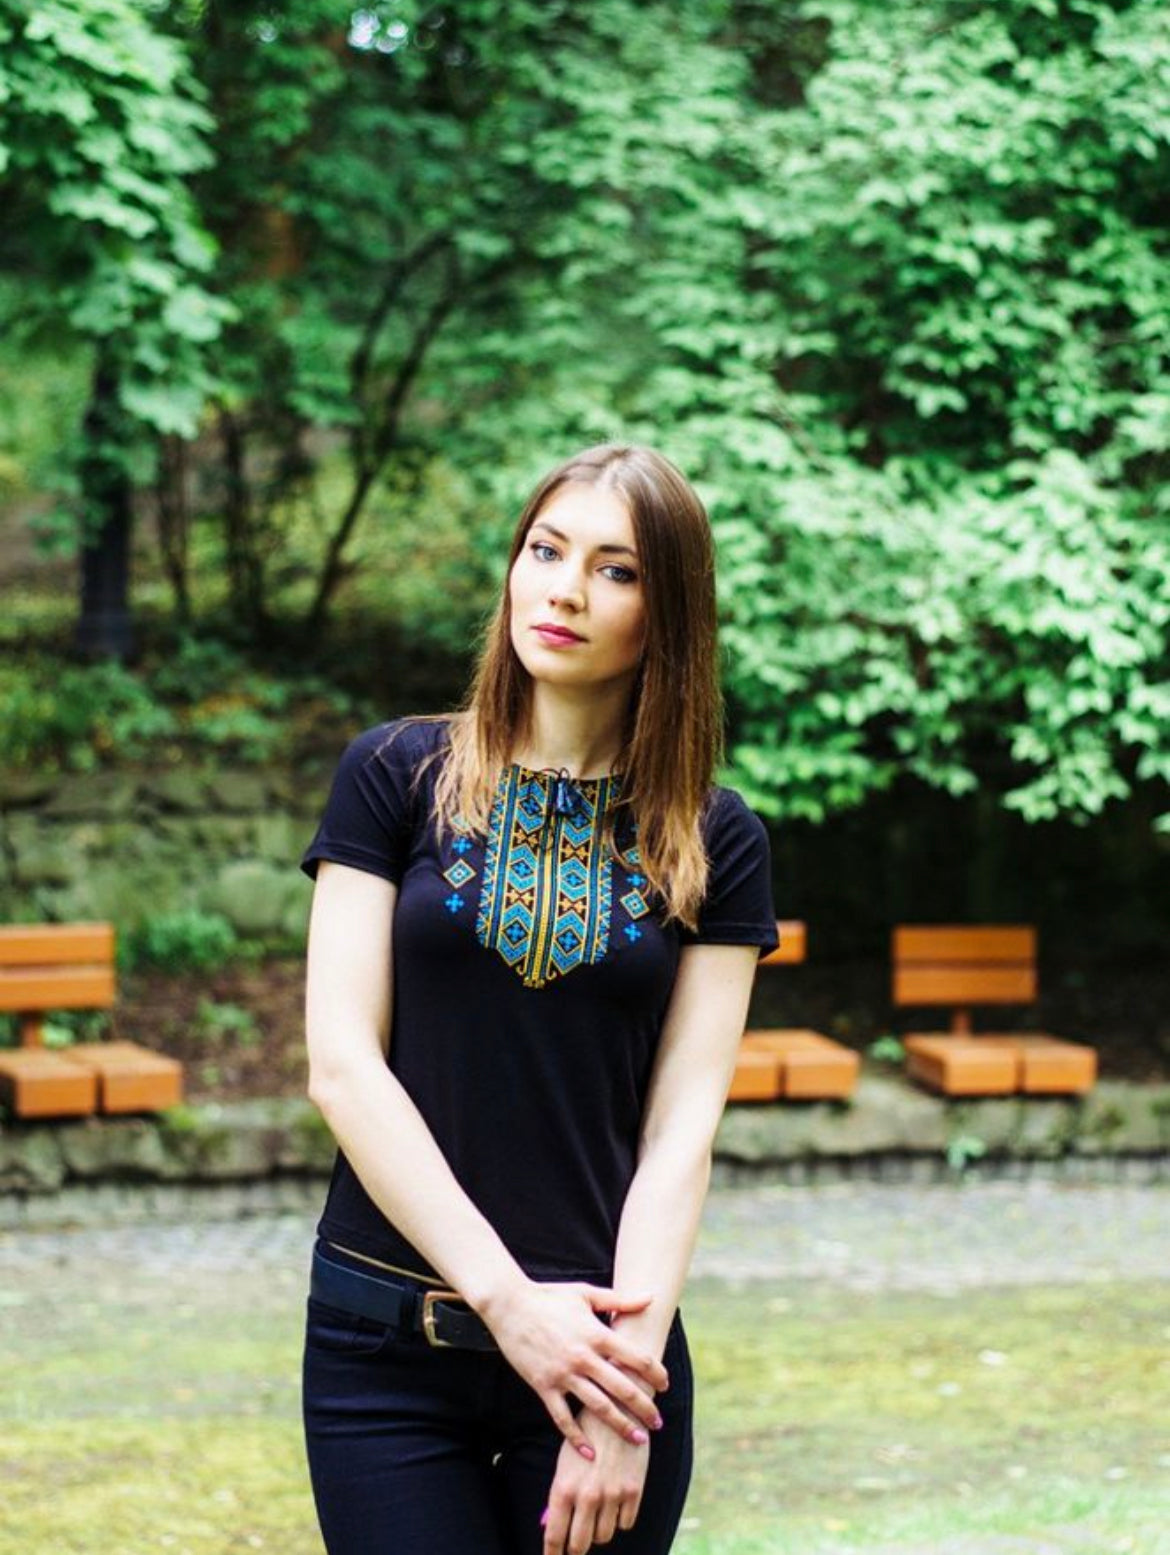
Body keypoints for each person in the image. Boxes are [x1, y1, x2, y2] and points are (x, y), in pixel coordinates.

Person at [298, 442, 779, 1555]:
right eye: (546, 551)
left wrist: (626, 1392)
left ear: (669, 613)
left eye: (616, 570)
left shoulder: (718, 839)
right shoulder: (393, 775)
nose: (564, 589)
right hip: (387, 1348)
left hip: (604, 1361)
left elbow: (679, 1130)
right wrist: (510, 1306)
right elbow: (343, 1067)